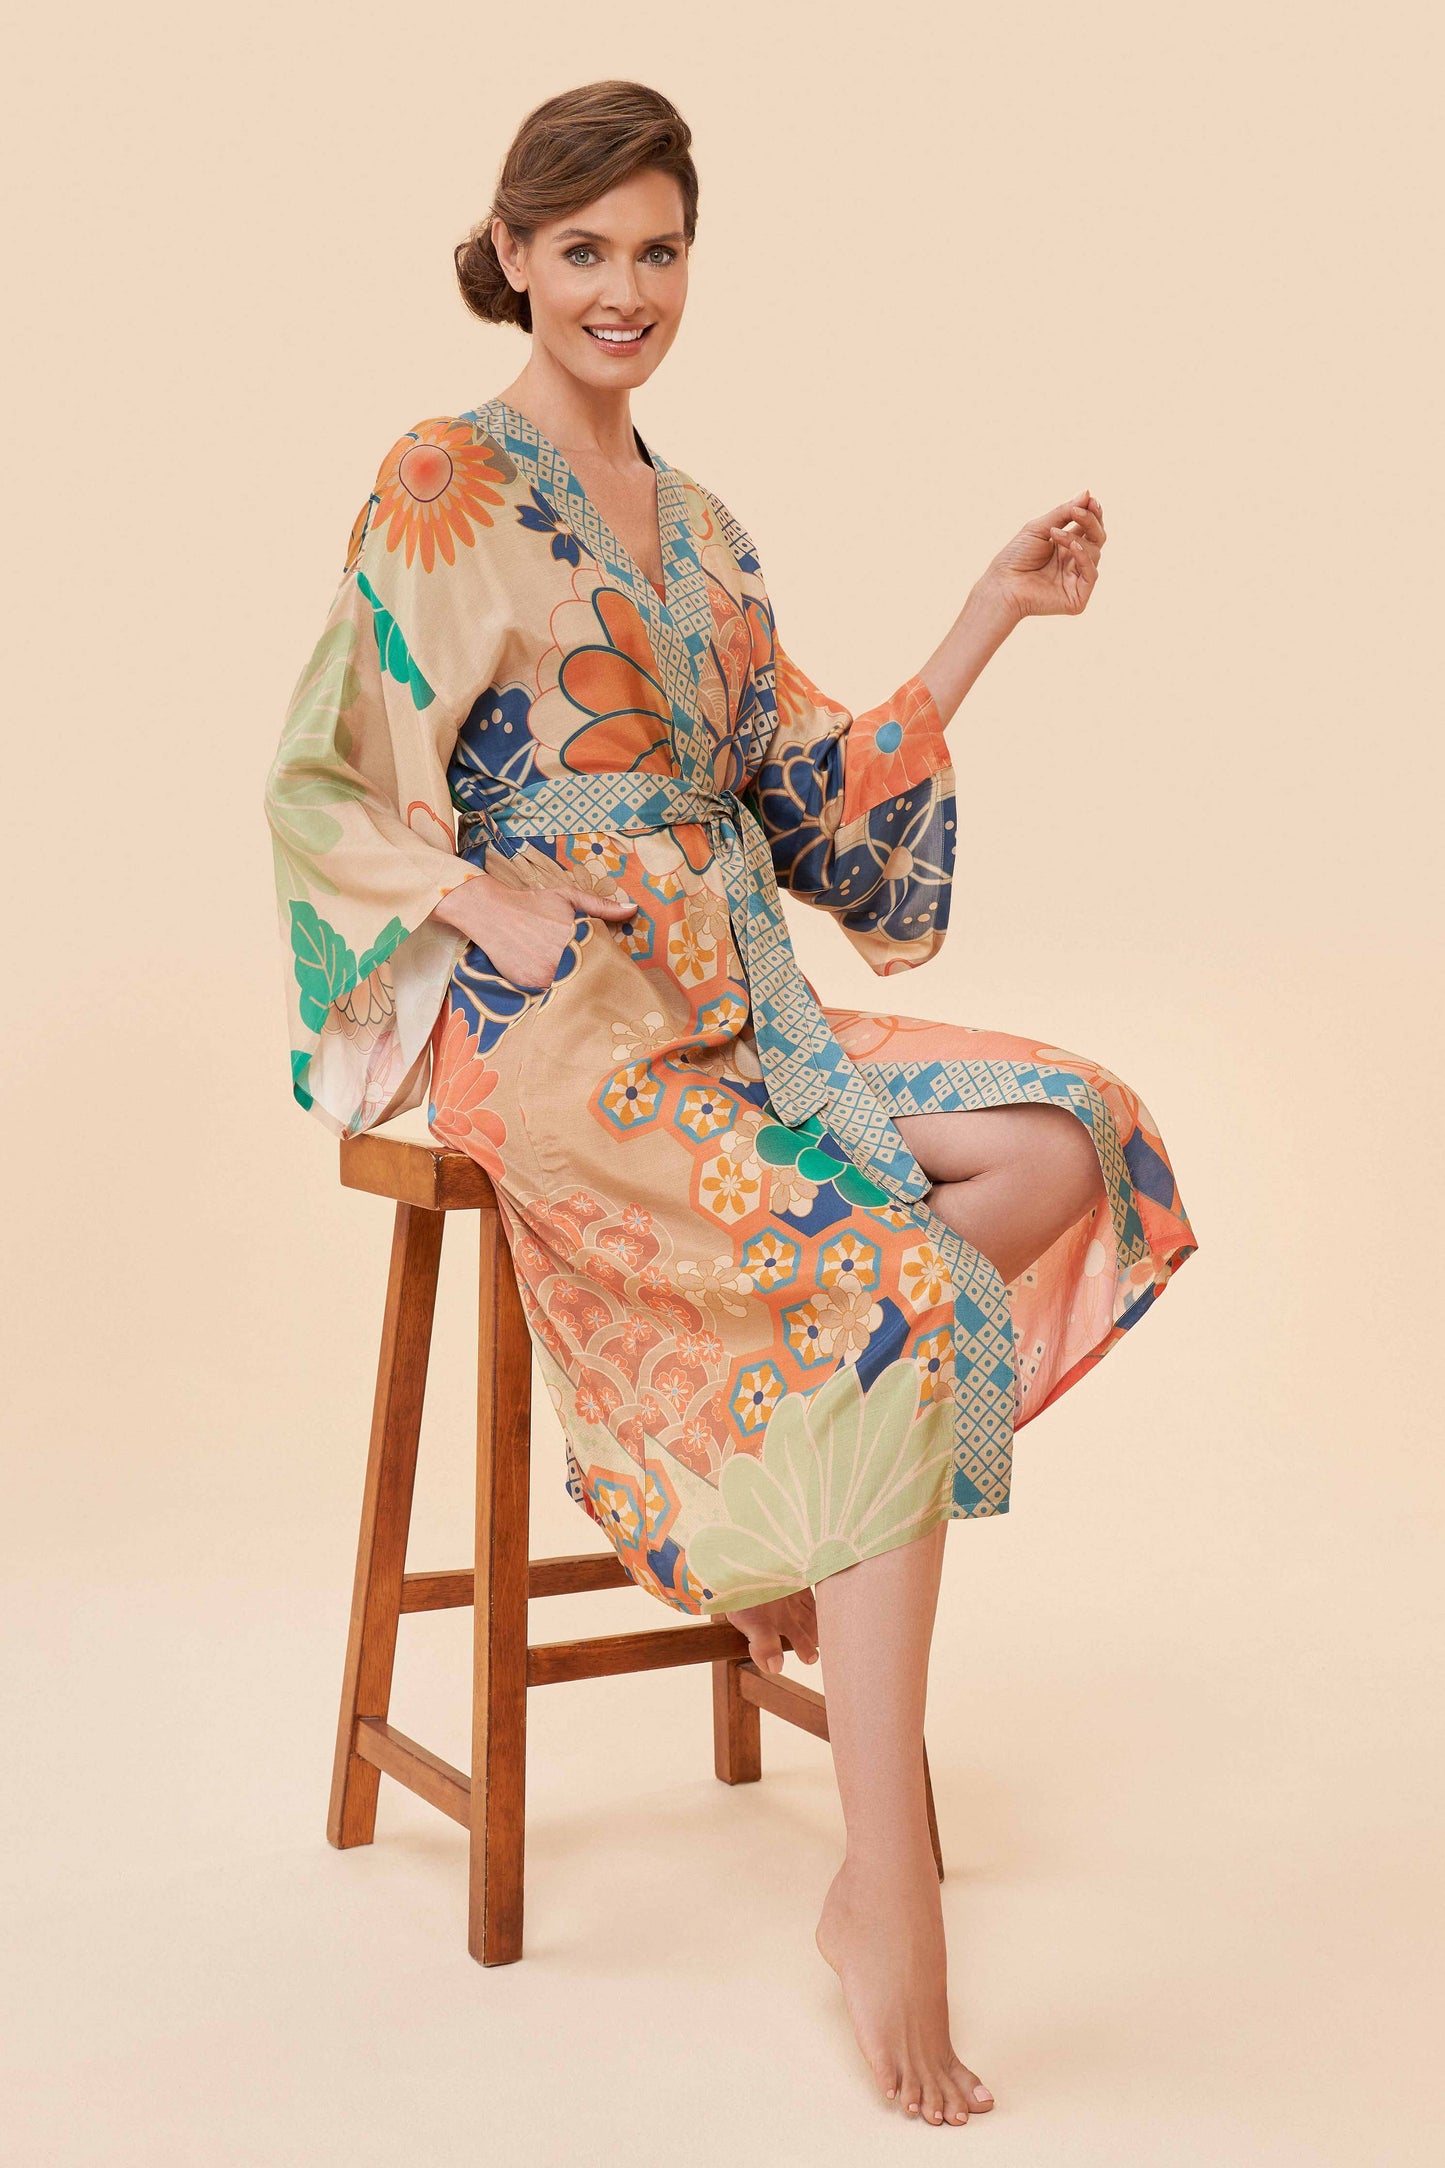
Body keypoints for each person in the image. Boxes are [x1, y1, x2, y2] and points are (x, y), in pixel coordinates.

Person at [262, 78, 1197, 2130]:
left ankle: (799, 1471)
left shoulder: (707, 532)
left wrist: (988, 615)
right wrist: (476, 897)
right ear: (514, 255)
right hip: (566, 1034)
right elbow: (321, 779)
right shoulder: (442, 482)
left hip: (748, 1005)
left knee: (1078, 1135)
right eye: (583, 249)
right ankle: (882, 1892)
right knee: (892, 1291)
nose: (625, 289)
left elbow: (815, 803)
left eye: (659, 250)